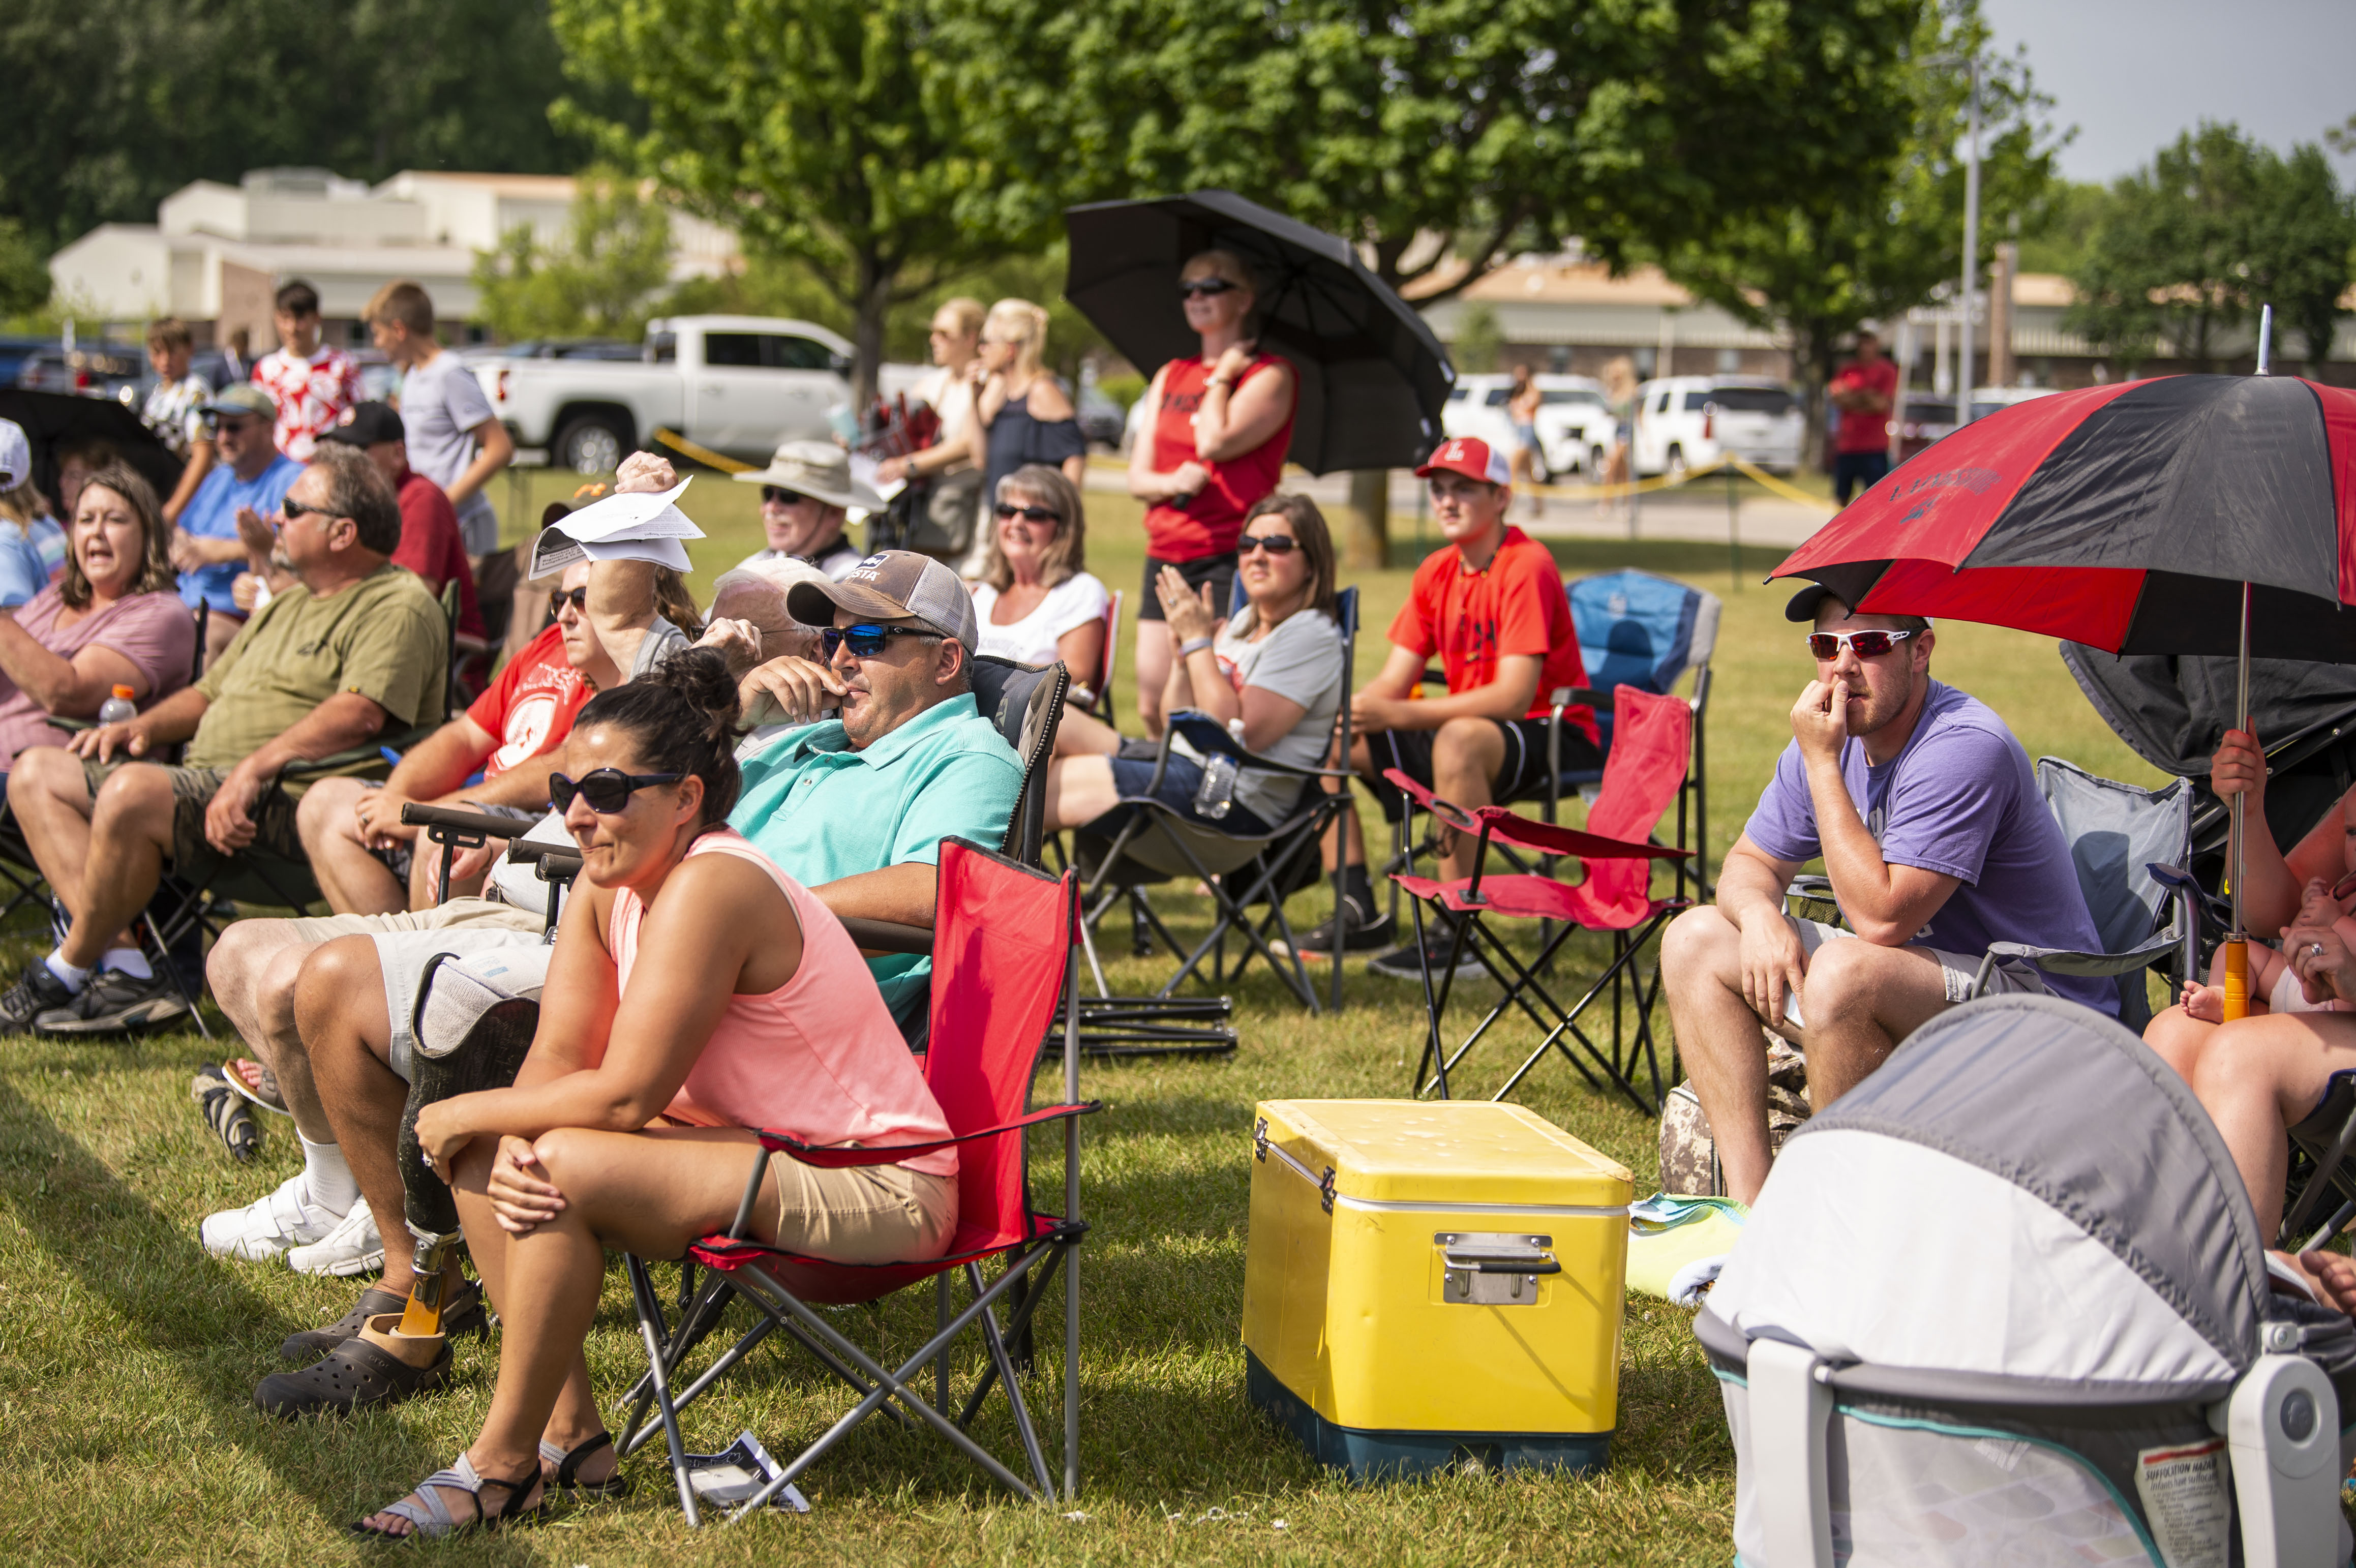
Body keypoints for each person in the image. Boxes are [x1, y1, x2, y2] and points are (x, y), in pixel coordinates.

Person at [231, 550, 1013, 1376]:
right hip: (636, 941)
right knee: (330, 982)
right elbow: (657, 794)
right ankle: (417, 1280)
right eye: (828, 638)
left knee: (357, 995)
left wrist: (739, 914)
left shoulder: (965, 757)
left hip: (741, 1013)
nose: (838, 657)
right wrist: (736, 715)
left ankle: (431, 1316)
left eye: (865, 636)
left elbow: (942, 890)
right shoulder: (803, 740)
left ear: (946, 658)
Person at [318, 651, 953, 1535]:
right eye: (567, 788)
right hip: (748, 1150)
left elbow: (622, 1096)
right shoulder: (603, 885)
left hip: (879, 1181)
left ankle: (498, 1468)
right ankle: (570, 1437)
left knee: (550, 1152)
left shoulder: (714, 881)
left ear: (685, 797)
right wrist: (494, 1134)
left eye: (609, 789)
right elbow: (557, 1062)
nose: (578, 813)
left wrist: (461, 1105)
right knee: (492, 1156)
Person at [1657, 585, 2114, 1207]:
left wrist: (1823, 766)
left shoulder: (1961, 746)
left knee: (1846, 974)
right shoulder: (1825, 742)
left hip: (2039, 1011)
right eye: (1825, 646)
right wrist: (1761, 914)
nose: (1842, 666)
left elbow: (1879, 919)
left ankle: (1838, 1221)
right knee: (1694, 940)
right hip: (1925, 986)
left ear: (1919, 650)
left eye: (1869, 645)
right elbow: (1747, 864)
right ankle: (1755, 1215)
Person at [2, 442, 447, 1036]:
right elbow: (208, 693)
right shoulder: (287, 607)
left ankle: (67, 966)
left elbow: (360, 713)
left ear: (343, 533)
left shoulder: (398, 601)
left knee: (133, 791)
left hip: (288, 804)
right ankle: (131, 969)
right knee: (37, 772)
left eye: (292, 508)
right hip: (210, 786)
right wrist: (142, 727)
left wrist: (252, 770)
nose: (275, 520)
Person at [1289, 438, 1597, 981]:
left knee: (1455, 738)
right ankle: (1358, 908)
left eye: (1463, 489)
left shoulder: (1526, 564)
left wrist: (1396, 716)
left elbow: (1513, 698)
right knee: (1329, 738)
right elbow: (1394, 679)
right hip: (1474, 728)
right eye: (1437, 490)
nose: (1446, 501)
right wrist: (1352, 710)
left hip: (1549, 730)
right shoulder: (1436, 570)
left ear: (1501, 497)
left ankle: (1459, 933)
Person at [293, 560, 596, 915]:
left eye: (581, 599)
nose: (563, 614)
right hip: (476, 803)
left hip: (524, 829)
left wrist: (421, 815)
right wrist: (394, 802)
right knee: (324, 803)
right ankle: (376, 955)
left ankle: (414, 960)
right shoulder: (547, 644)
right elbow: (465, 737)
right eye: (558, 599)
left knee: (442, 830)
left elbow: (562, 766)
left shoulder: (625, 667)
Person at [1045, 492, 1342, 840]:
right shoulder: (1245, 622)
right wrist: (1184, 662)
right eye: (1248, 544)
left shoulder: (1310, 634)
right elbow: (1178, 717)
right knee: (1049, 718)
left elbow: (1237, 733)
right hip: (1183, 764)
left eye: (1276, 545)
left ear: (1312, 562)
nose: (1257, 556)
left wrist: (1199, 642)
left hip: (1229, 798)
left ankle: (1004, 876)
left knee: (1043, 783)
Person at [1125, 250, 1297, 736]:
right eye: (1188, 289)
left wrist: (1221, 375)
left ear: (1244, 300)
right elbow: (1138, 478)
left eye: (1211, 287)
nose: (1196, 297)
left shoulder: (1270, 376)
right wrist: (1171, 483)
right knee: (1152, 701)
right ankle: (1167, 797)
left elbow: (1214, 441)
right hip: (1166, 551)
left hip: (1228, 555)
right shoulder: (1170, 374)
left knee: (1209, 700)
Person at [0, 464, 195, 768]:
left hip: (57, 777)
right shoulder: (55, 597)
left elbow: (66, 694)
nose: (96, 532)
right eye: (86, 520)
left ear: (148, 535)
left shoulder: (162, 613)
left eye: (115, 520)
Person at [365, 281, 513, 560]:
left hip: (464, 525)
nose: (377, 343)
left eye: (378, 334)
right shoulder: (411, 376)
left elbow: (500, 448)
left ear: (399, 330)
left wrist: (443, 504)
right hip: (428, 520)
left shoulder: (450, 373)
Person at [316, 402, 484, 638]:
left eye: (356, 451)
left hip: (443, 656)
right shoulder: (362, 503)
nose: (343, 462)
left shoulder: (421, 499)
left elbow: (412, 597)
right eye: (339, 450)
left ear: (398, 454)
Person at [172, 384, 303, 666]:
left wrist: (226, 551)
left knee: (200, 637)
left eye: (234, 428)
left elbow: (299, 554)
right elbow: (182, 531)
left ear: (268, 429)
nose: (222, 437)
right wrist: (181, 545)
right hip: (184, 602)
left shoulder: (293, 479)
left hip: (242, 614)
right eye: (216, 428)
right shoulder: (219, 477)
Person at [969, 464, 1107, 677]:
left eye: (1034, 515)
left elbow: (1076, 676)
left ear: (1064, 528)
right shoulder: (984, 593)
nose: (1017, 523)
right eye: (1007, 511)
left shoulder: (1080, 591)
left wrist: (986, 673)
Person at [876, 297, 987, 563]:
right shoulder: (931, 382)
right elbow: (901, 431)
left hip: (958, 508)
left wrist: (909, 464)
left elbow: (967, 444)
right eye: (933, 332)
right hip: (916, 506)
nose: (934, 339)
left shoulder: (986, 383)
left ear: (970, 339)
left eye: (945, 334)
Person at [970, 299, 1087, 525]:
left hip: (1033, 533)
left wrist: (1063, 524)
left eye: (986, 342)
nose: (980, 350)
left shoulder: (1043, 392)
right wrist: (974, 398)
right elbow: (980, 460)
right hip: (1003, 525)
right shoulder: (1004, 396)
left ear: (1010, 349)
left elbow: (1075, 458)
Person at [728, 440, 881, 581]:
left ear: (835, 513)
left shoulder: (851, 582)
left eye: (788, 497)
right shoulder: (754, 564)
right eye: (768, 494)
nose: (770, 508)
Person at [252, 280, 361, 463]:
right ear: (276, 318)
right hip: (279, 472)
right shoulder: (266, 369)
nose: (292, 328)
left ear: (317, 318)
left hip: (331, 468)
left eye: (300, 319)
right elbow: (255, 426)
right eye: (285, 318)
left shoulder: (342, 365)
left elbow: (360, 419)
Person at [140, 318, 218, 525]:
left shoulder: (195, 391)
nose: (165, 360)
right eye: (158, 353)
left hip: (190, 505)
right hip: (161, 493)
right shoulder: (157, 394)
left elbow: (203, 456)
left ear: (190, 349)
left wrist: (172, 511)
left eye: (172, 351)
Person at [1828, 329, 1897, 505]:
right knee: (1842, 498)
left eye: (1869, 342)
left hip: (1874, 447)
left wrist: (1852, 398)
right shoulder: (1848, 370)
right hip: (1848, 445)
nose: (1865, 348)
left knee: (1877, 498)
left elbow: (1881, 405)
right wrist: (1866, 396)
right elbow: (1836, 398)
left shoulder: (1886, 370)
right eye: (1862, 343)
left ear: (1877, 344)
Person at [1504, 363, 1544, 516]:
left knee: (1512, 468)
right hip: (1518, 431)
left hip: (1528, 431)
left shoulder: (1533, 391)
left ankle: (1509, 504)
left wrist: (1529, 383)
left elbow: (1534, 403)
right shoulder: (1516, 392)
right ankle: (1538, 506)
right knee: (1529, 474)